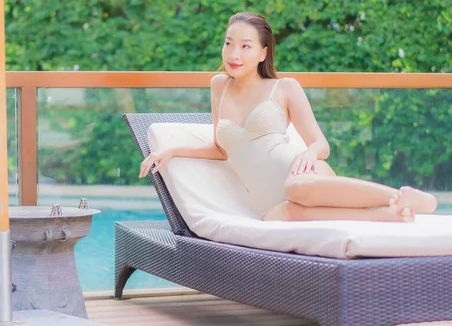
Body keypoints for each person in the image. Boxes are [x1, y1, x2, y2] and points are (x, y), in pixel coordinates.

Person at [139, 12, 437, 222]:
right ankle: (393, 215)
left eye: (245, 46)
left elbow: (321, 144)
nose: (234, 53)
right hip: (272, 199)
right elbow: (221, 149)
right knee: (277, 216)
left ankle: (400, 196)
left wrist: (308, 153)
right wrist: (171, 150)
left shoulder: (284, 88)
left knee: (295, 188)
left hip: (300, 174)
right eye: (229, 43)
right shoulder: (219, 86)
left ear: (262, 53)